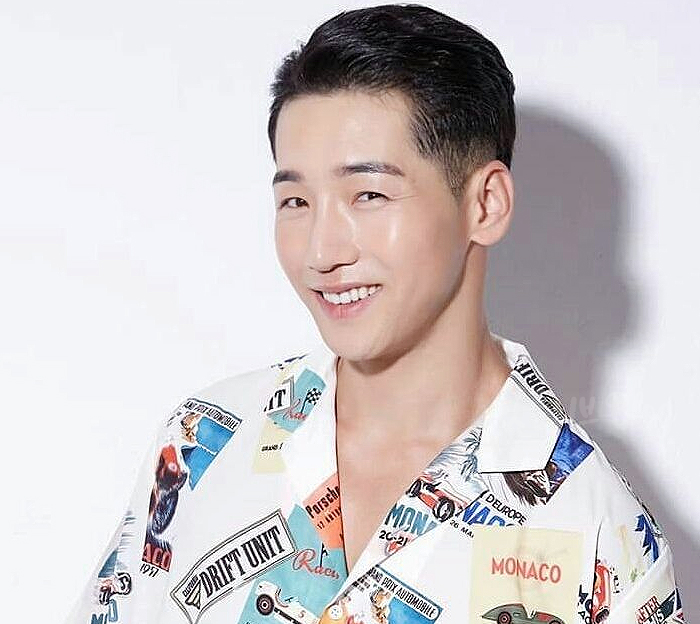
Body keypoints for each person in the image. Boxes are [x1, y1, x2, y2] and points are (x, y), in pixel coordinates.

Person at [67, 4, 684, 624]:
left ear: (486, 204)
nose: (321, 251)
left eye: (368, 195)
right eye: (296, 201)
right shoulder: (203, 444)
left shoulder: (596, 533)